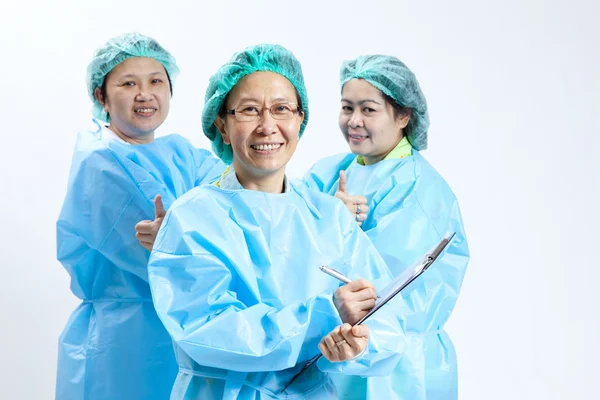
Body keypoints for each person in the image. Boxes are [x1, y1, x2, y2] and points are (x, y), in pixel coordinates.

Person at [147, 44, 406, 399]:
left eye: (282, 109)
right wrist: (324, 316)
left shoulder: (329, 217)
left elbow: (386, 320)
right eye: (250, 110)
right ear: (222, 124)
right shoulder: (192, 219)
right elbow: (207, 330)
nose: (268, 126)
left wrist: (355, 346)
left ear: (301, 119)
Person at [56, 32, 224, 400]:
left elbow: (239, 196)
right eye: (128, 83)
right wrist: (192, 232)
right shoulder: (100, 162)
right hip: (125, 342)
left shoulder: (181, 153)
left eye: (156, 82)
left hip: (183, 330)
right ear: (101, 96)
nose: (144, 94)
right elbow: (181, 250)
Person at [302, 54, 470, 399]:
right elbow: (280, 248)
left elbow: (380, 295)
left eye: (369, 109)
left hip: (398, 371)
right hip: (340, 355)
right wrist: (325, 219)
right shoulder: (328, 172)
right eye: (347, 107)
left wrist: (330, 229)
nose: (354, 121)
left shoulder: (420, 192)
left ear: (404, 116)